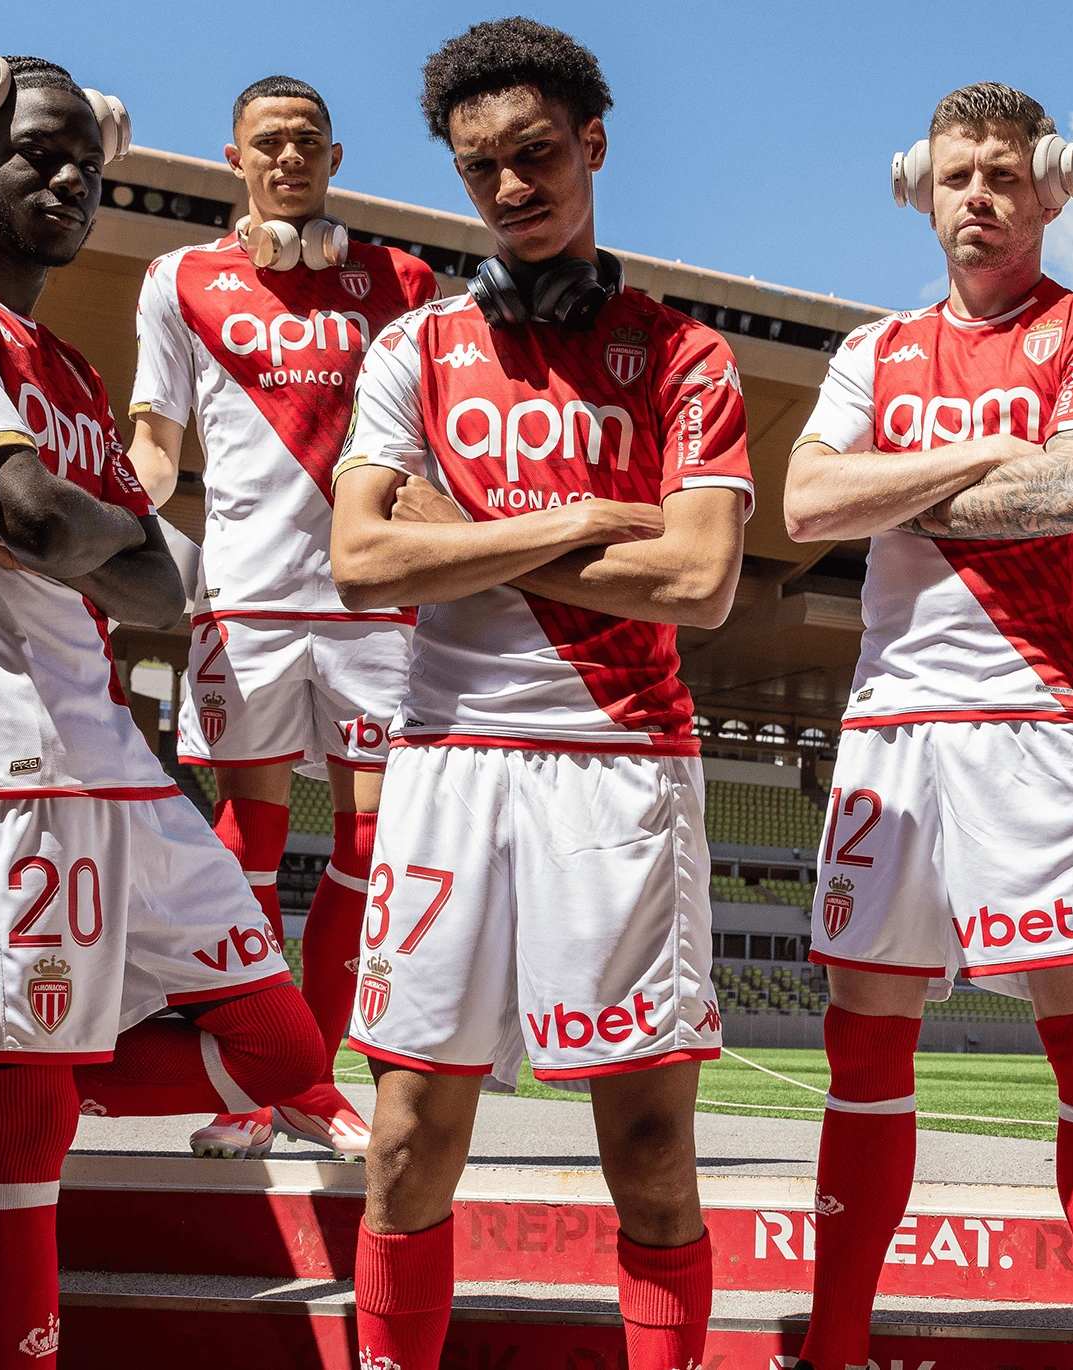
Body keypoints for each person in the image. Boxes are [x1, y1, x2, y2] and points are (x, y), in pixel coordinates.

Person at [0, 51, 331, 1367]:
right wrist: (90, 536)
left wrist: (91, 537)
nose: (69, 172)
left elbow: (131, 559)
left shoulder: (78, 376)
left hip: (108, 754)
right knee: (27, 1105)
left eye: (86, 153)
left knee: (277, 1046)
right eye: (37, 146)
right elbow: (35, 512)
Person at [323, 19, 752, 1370]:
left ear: (594, 148)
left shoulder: (684, 354)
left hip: (619, 758)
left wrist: (466, 534)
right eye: (481, 167)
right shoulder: (416, 350)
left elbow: (699, 582)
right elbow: (358, 560)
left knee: (649, 1147)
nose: (511, 187)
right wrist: (580, 516)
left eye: (537, 155)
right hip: (448, 753)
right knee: (403, 1140)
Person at [777, 82, 1073, 1370]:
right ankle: (834, 1346)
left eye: (1002, 173)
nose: (978, 196)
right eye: (955, 176)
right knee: (863, 1048)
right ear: (918, 187)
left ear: (1053, 184)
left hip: (1039, 716)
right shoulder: (873, 349)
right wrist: (974, 464)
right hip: (892, 725)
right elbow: (806, 503)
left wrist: (896, 485)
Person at [126, 72, 439, 1161]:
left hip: (371, 598)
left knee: (370, 841)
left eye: (309, 140)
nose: (289, 157)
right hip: (246, 597)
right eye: (269, 141)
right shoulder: (178, 280)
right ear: (234, 158)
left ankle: (317, 1076)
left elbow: (430, 437)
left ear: (336, 159)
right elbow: (157, 437)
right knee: (247, 844)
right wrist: (112, 517)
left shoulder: (403, 280)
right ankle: (258, 1082)